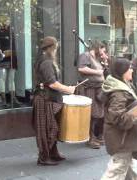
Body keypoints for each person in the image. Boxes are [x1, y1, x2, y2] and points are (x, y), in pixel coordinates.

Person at [101, 58, 137, 180]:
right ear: (123, 72)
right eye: (129, 69)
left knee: (132, 172)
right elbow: (118, 117)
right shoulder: (119, 92)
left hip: (125, 138)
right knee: (115, 172)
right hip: (122, 139)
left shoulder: (121, 84)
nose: (132, 70)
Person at [33, 36, 76, 166]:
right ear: (52, 48)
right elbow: (52, 84)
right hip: (45, 100)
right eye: (56, 47)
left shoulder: (47, 60)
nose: (57, 50)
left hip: (49, 99)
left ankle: (53, 153)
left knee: (52, 128)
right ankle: (44, 157)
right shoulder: (46, 62)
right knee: (48, 129)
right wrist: (68, 89)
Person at [76, 40, 109, 149]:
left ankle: (99, 136)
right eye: (102, 50)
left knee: (100, 113)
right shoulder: (85, 56)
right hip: (89, 88)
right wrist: (97, 72)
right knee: (92, 114)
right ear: (97, 47)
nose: (103, 53)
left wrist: (105, 61)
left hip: (99, 88)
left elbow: (104, 73)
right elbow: (81, 68)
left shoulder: (97, 59)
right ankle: (91, 138)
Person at [0, 15, 19, 106]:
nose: (8, 21)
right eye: (7, 20)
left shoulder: (11, 31)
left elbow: (14, 45)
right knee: (2, 77)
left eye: (9, 20)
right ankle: (4, 100)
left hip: (12, 56)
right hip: (3, 56)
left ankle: (13, 98)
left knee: (11, 78)